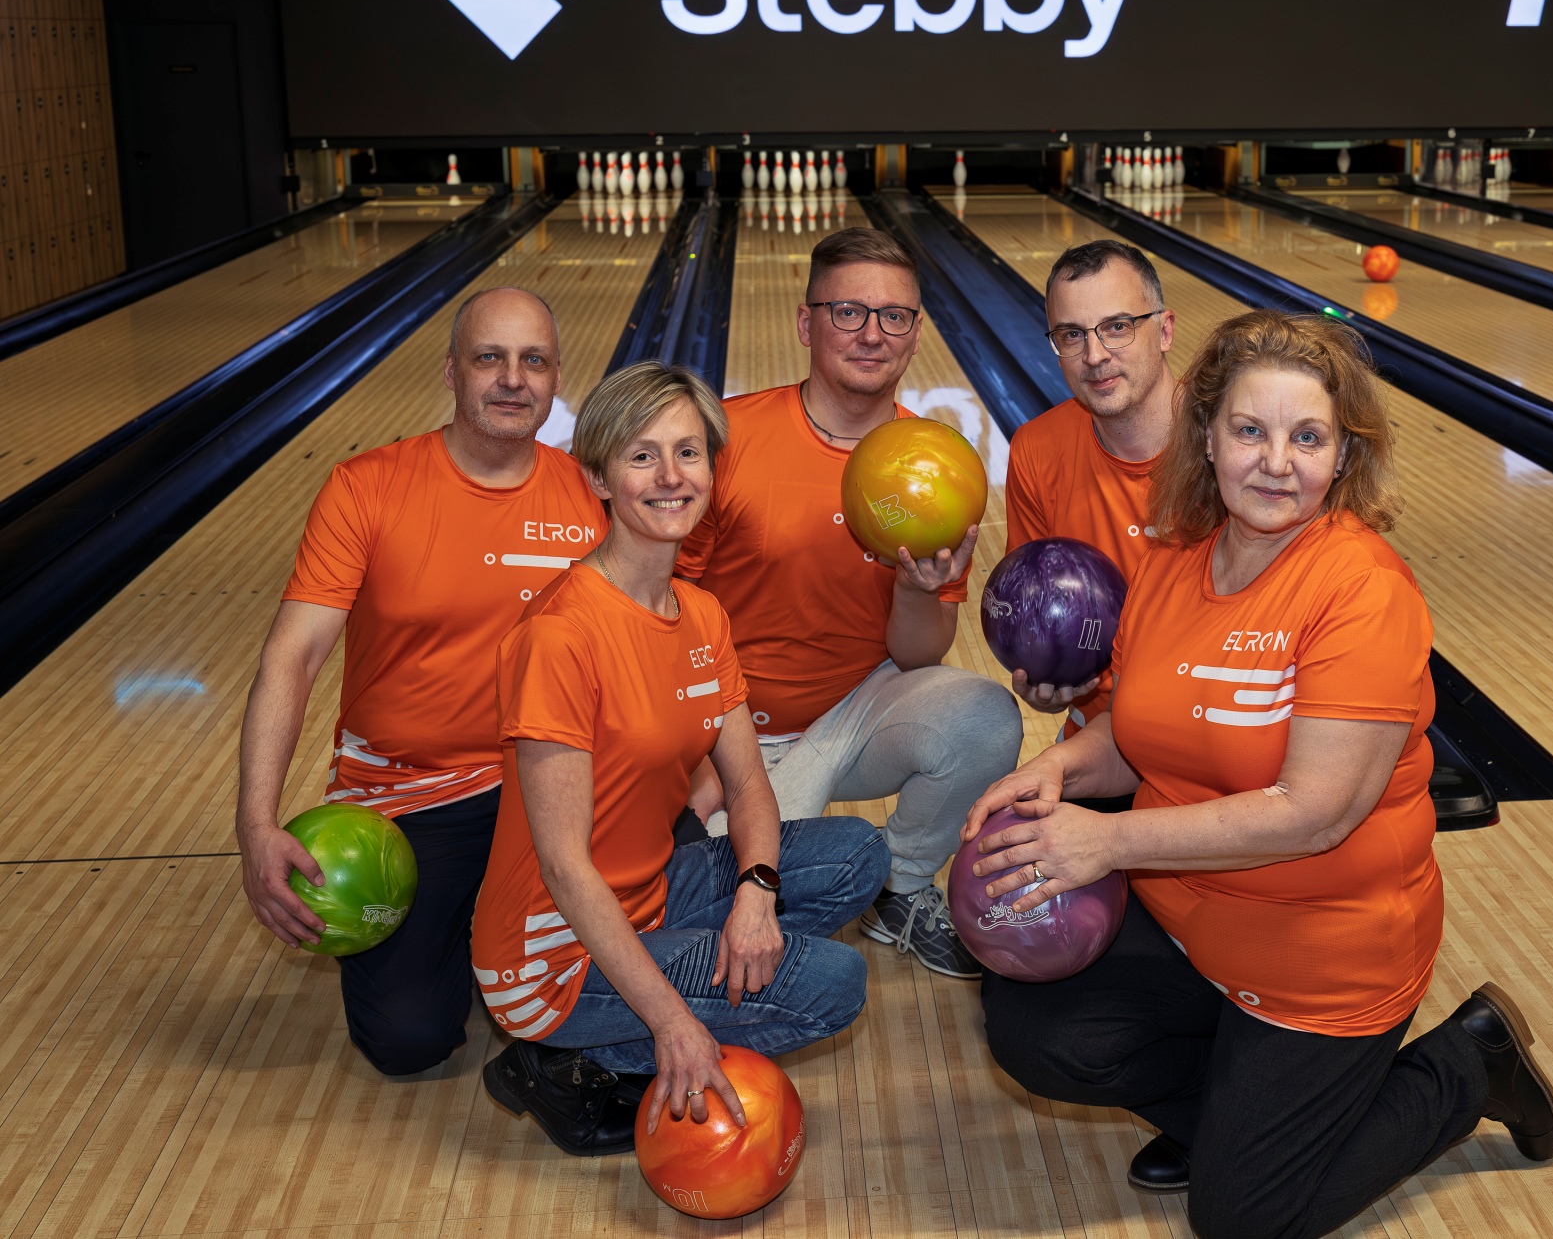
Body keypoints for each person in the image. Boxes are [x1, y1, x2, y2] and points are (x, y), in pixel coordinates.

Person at [963, 311, 1553, 1237]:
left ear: (1343, 454)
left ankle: (1465, 1069)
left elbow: (1313, 812)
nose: (1277, 462)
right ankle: (1241, 1119)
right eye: (1251, 430)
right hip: (1188, 925)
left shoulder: (1361, 590)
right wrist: (1060, 767)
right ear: (1206, 436)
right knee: (1034, 1030)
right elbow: (1141, 730)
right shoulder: (1174, 560)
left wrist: (1107, 840)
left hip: (1323, 957)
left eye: (1307, 437)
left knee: (1241, 1220)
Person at [473, 362, 886, 1156]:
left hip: (652, 890)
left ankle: (674, 994)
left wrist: (756, 893)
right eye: (642, 455)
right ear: (599, 477)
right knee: (836, 986)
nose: (671, 476)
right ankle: (567, 1057)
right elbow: (563, 866)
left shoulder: (700, 612)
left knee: (857, 852)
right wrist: (672, 1022)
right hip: (551, 953)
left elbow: (748, 782)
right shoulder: (560, 635)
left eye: (688, 452)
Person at [237, 287, 606, 1076]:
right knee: (408, 1040)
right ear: (451, 370)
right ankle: (469, 922)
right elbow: (291, 656)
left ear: (556, 377)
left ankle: (489, 922)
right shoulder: (367, 486)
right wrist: (255, 822)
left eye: (533, 360)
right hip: (409, 797)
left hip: (550, 783)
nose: (513, 378)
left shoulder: (591, 494)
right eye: (489, 357)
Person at [678, 227, 1023, 979]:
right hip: (728, 728)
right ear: (806, 324)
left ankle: (900, 886)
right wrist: (698, 751)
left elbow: (918, 655)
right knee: (704, 907)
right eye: (847, 312)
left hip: (853, 716)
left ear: (916, 332)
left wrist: (917, 591)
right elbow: (663, 611)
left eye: (894, 316)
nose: (872, 334)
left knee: (985, 719)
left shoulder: (942, 471)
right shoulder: (726, 438)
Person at [1005, 239, 1176, 747]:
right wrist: (1044, 672)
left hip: (1214, 734)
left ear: (1164, 330)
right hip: (1099, 733)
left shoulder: (1233, 446)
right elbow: (1032, 614)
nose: (1095, 355)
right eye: (1071, 335)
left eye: (1118, 326)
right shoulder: (1036, 448)